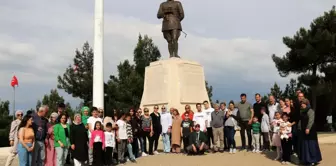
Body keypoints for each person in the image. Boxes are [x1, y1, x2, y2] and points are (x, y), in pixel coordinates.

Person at [298, 99, 322, 165]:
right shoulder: (301, 111)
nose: (301, 104)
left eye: (303, 103)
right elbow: (300, 120)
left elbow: (311, 120)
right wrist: (299, 128)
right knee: (305, 145)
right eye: (301, 103)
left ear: (306, 104)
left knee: (311, 145)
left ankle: (314, 160)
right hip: (303, 131)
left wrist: (308, 128)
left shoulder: (310, 111)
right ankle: (307, 160)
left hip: (311, 131)